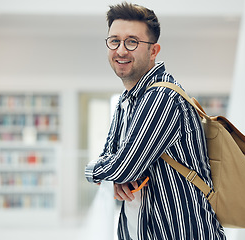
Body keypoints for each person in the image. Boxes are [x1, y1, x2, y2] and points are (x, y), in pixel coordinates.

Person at [85, 2, 226, 240]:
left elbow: (123, 166)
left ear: (153, 50)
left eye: (132, 42)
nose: (120, 50)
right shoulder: (126, 101)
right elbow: (110, 156)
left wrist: (92, 171)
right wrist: (116, 172)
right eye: (114, 40)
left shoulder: (161, 97)